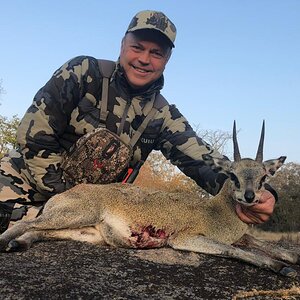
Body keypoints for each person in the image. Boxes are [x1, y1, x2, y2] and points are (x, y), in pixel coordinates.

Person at [0, 10, 276, 233]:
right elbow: (34, 135)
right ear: (122, 45)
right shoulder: (83, 72)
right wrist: (68, 200)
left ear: (167, 60)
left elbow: (206, 163)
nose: (144, 59)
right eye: (137, 47)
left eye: (156, 53)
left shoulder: (164, 116)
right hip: (23, 186)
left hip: (91, 211)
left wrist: (260, 189)